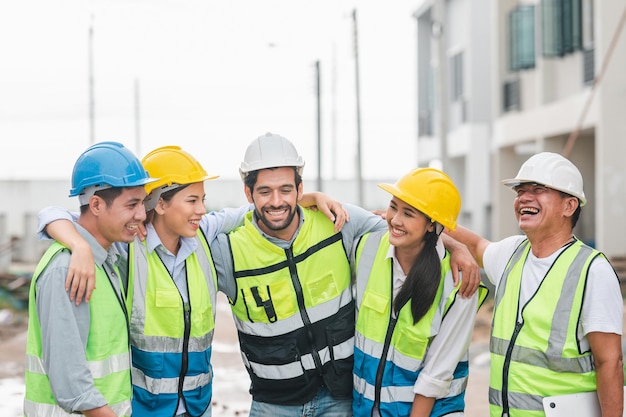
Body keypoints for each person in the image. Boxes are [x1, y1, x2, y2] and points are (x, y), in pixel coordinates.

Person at [37, 145, 348, 417]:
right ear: (159, 203)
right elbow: (61, 215)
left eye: (203, 199)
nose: (201, 209)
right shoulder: (129, 248)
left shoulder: (204, 237)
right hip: (145, 410)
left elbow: (259, 209)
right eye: (191, 200)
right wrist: (78, 245)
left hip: (198, 408)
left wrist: (310, 197)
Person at [209, 133, 482, 417]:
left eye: (286, 190)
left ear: (300, 189)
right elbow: (401, 227)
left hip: (339, 401)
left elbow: (410, 232)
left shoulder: (339, 225)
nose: (276, 201)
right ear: (248, 193)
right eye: (264, 191)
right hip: (274, 405)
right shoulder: (229, 250)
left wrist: (453, 244)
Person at [447, 152, 624, 417]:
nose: (524, 198)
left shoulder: (592, 270)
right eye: (521, 191)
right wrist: (420, 220)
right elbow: (473, 245)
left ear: (569, 206)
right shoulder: (512, 253)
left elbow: (609, 362)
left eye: (538, 190)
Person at [24, 141, 157, 417]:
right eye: (132, 204)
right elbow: (73, 387)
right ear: (96, 204)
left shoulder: (106, 257)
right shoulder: (65, 270)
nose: (142, 215)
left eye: (142, 203)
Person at [351, 167, 489, 417]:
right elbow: (308, 207)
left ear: (431, 224)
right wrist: (317, 196)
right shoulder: (366, 246)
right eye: (393, 207)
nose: (395, 219)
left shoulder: (458, 281)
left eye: (409, 213)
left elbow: (436, 373)